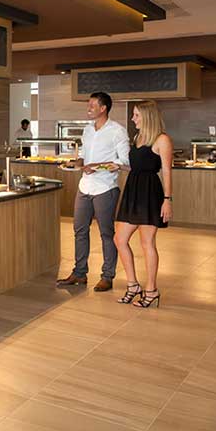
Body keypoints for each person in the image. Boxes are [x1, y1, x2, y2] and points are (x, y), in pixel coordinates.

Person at [56, 92, 130, 292]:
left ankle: (107, 276)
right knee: (79, 231)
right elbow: (85, 158)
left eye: (92, 105)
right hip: (85, 186)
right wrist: (77, 163)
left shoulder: (117, 131)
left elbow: (124, 162)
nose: (88, 108)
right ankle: (80, 273)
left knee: (106, 233)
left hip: (105, 188)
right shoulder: (87, 130)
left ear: (103, 108)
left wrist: (96, 166)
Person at [111, 101, 173, 309]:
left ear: (147, 116)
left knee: (147, 243)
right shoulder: (138, 137)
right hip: (133, 191)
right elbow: (137, 167)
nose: (133, 119)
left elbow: (167, 172)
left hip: (149, 193)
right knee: (119, 239)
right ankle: (133, 285)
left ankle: (151, 290)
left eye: (136, 115)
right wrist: (119, 166)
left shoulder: (162, 139)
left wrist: (167, 200)